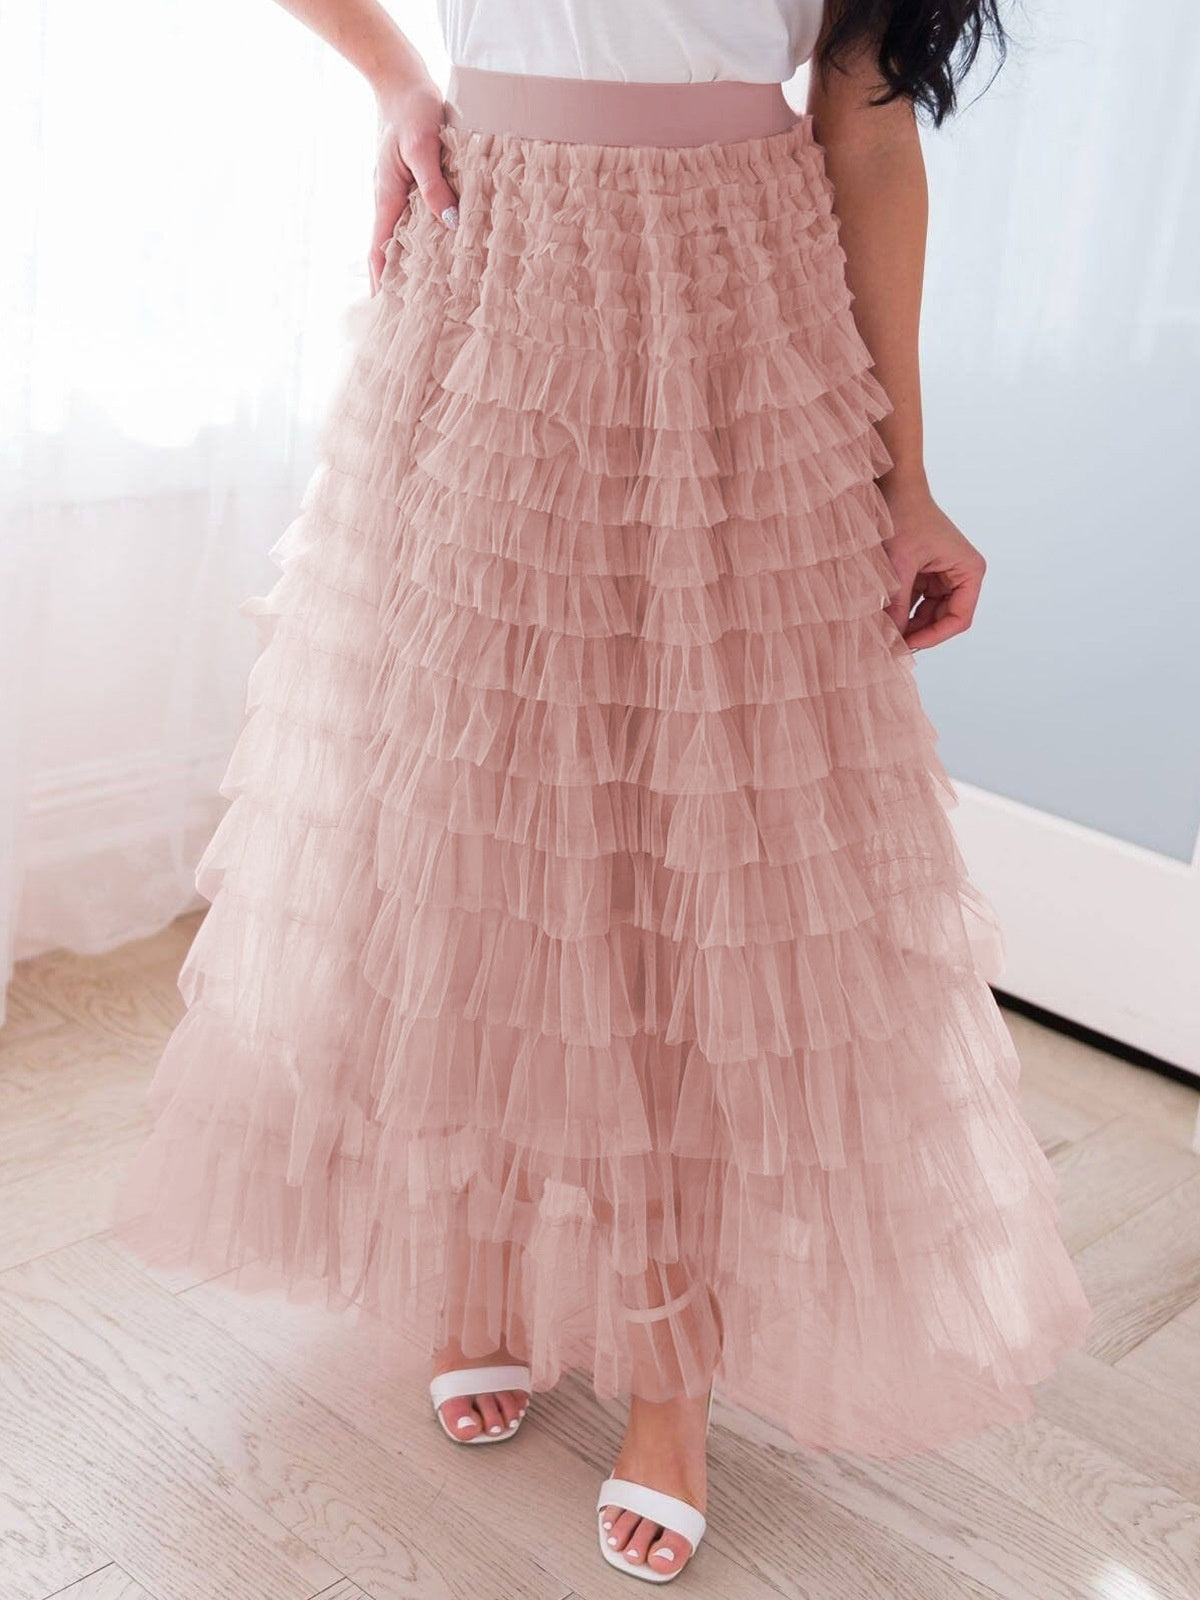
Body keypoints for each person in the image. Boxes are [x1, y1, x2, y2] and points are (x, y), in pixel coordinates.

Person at [113, 0, 1094, 1585]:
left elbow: (869, 129)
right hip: (494, 272)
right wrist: (391, 75)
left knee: (707, 845)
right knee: (466, 807)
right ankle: (478, 1247)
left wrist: (907, 475)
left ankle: (671, 1365)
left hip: (736, 308)